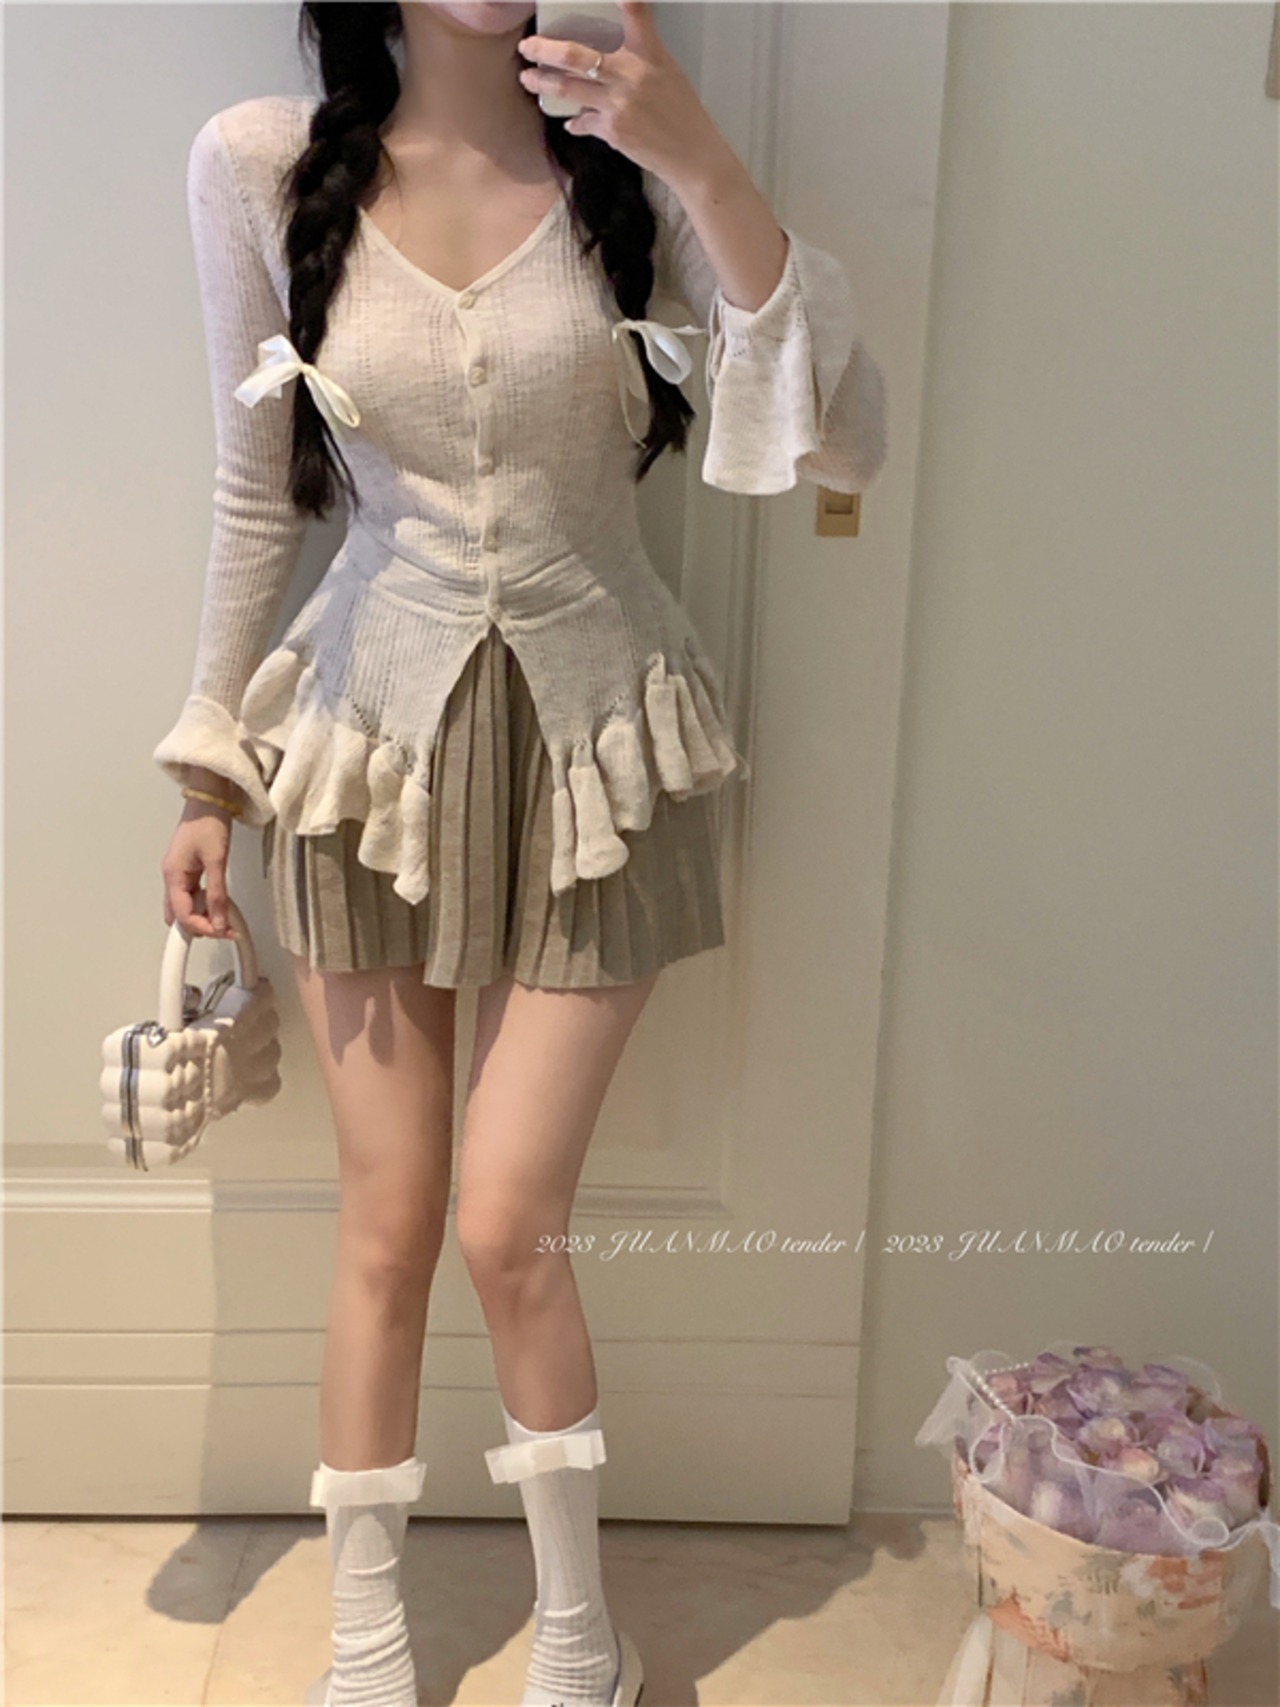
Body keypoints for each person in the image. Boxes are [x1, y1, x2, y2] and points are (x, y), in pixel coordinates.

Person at [155, 3, 887, 1703]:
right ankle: (366, 1646)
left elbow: (841, 437)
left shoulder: (631, 166)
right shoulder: (262, 164)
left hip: (602, 751)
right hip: (366, 755)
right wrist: (206, 772)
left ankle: (578, 1640)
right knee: (387, 1223)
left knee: (506, 1223)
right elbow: (256, 492)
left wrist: (697, 156)